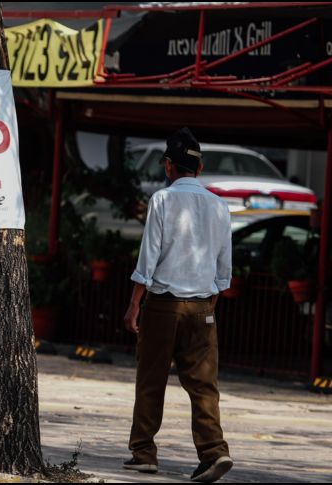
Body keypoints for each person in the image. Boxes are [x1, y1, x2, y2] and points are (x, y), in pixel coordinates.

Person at [122, 127, 233, 483]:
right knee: (204, 386)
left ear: (169, 166)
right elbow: (224, 269)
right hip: (202, 308)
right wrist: (209, 299)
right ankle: (214, 452)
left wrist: (134, 305)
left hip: (164, 305)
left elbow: (148, 258)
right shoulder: (219, 206)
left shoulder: (163, 200)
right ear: (199, 169)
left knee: (151, 379)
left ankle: (143, 452)